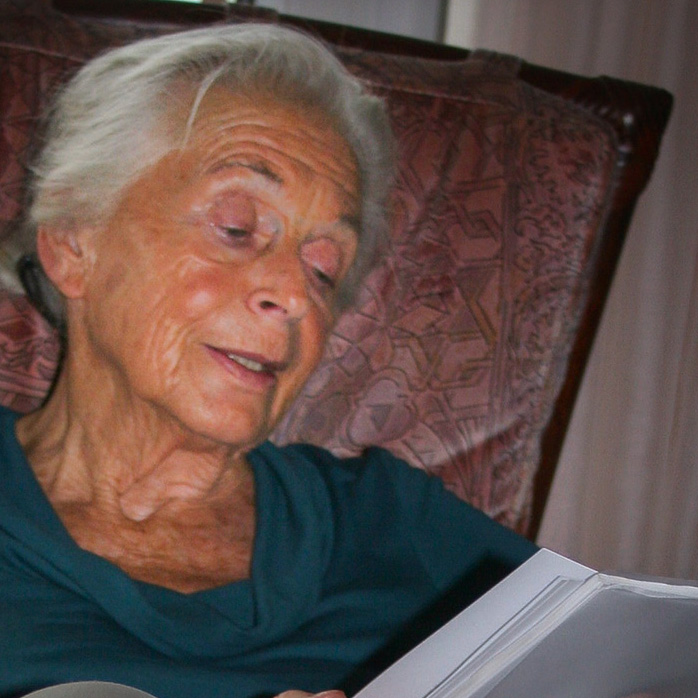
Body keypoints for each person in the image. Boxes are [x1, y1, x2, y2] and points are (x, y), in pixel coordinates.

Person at [0, 22, 537, 698]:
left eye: (323, 269)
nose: (294, 295)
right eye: (236, 228)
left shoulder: (389, 517)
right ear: (72, 244)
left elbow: (629, 660)